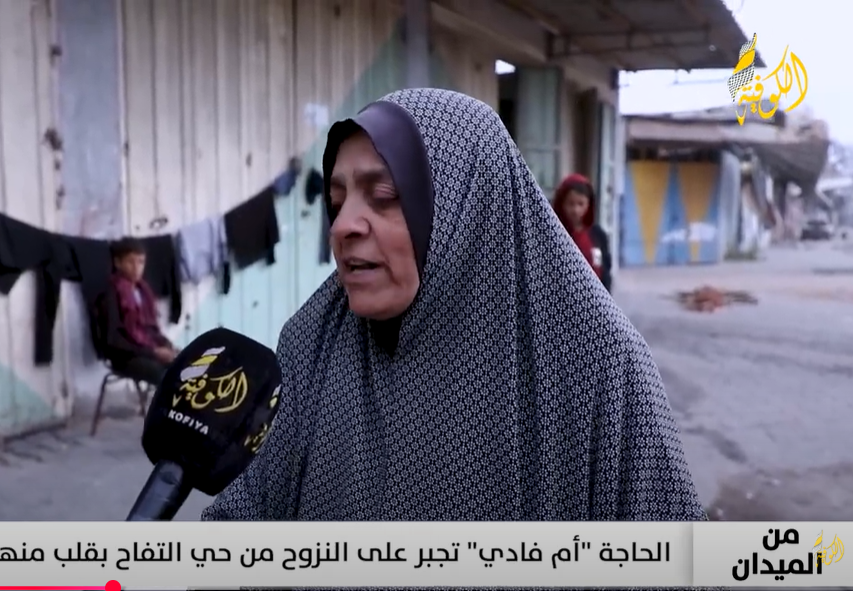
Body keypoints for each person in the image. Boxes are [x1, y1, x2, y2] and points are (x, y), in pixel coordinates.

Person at [203, 90, 703, 535]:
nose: (343, 225)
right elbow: (246, 519)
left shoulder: (598, 366)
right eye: (338, 201)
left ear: (467, 211)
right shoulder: (314, 342)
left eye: (383, 197)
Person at [96, 237, 178, 386]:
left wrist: (166, 344)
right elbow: (114, 341)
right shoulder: (110, 294)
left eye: (141, 262)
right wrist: (154, 352)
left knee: (187, 363)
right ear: (118, 263)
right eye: (130, 262)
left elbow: (150, 329)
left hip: (148, 349)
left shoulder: (143, 292)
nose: (136, 268)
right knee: (164, 375)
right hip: (124, 357)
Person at [553, 173, 613, 292]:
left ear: (589, 205)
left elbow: (605, 271)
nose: (576, 210)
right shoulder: (554, 235)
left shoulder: (598, 235)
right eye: (570, 204)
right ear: (561, 204)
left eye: (581, 204)